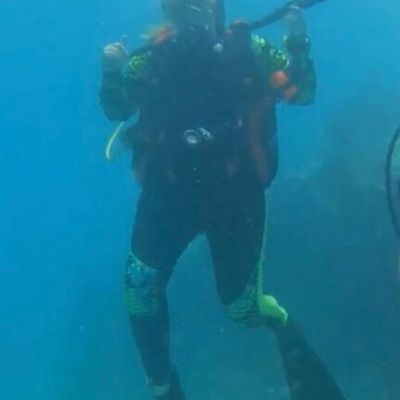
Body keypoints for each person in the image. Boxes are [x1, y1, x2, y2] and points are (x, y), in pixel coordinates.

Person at [100, 1, 318, 399]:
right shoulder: (150, 60)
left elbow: (301, 92)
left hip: (234, 200)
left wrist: (298, 39)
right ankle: (165, 389)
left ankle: (290, 340)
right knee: (139, 290)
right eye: (179, 6)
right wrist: (111, 69)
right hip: (169, 196)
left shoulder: (249, 49)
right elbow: (116, 109)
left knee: (242, 309)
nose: (189, 12)